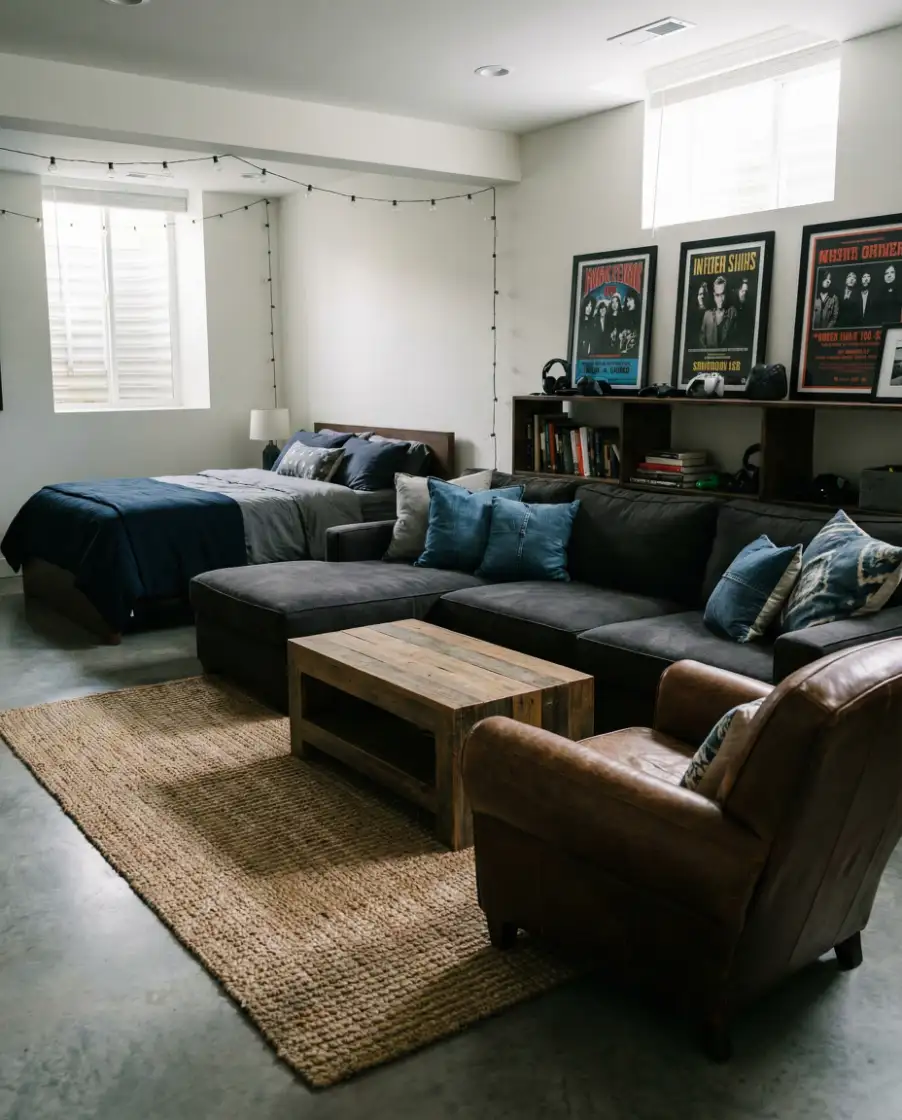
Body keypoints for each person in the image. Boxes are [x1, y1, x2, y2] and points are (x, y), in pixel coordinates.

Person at [699, 275, 736, 348]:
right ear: (713, 295)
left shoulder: (732, 313)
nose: (720, 299)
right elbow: (701, 341)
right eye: (717, 295)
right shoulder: (707, 315)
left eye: (723, 294)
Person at [732, 277, 753, 348]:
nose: (744, 294)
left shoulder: (748, 304)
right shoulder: (731, 301)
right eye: (742, 291)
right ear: (738, 290)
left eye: (746, 292)